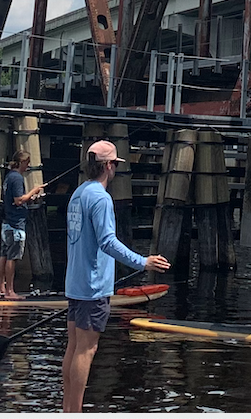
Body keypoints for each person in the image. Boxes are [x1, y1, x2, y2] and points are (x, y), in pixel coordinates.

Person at [63, 138, 169, 412]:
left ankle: (67, 409)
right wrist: (142, 262)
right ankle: (74, 412)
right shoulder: (100, 198)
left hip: (75, 283)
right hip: (93, 285)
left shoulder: (78, 194)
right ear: (109, 166)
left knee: (73, 347)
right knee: (87, 350)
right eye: (115, 165)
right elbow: (107, 242)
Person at [0, 148, 43, 300]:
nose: (28, 167)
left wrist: (29, 197)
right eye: (27, 163)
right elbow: (18, 200)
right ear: (22, 162)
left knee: (4, 254)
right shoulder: (17, 178)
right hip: (16, 223)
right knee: (12, 257)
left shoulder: (9, 176)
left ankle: (1, 288)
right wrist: (34, 191)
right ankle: (10, 292)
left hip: (6, 222)